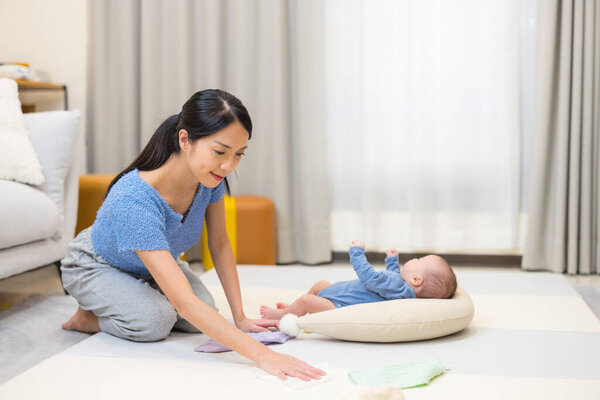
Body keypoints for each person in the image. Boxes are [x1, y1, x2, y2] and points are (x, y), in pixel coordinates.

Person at [60, 89, 325, 382]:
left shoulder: (209, 180)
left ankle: (135, 299)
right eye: (220, 152)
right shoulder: (133, 199)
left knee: (200, 317)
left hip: (153, 268)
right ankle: (87, 319)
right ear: (185, 140)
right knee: (154, 322)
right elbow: (184, 301)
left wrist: (240, 318)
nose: (228, 166)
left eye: (238, 154)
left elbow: (220, 244)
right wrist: (264, 356)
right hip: (98, 265)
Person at [260, 240, 457, 320]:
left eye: (419, 260)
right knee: (320, 286)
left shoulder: (398, 286)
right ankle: (296, 311)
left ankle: (284, 315)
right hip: (337, 295)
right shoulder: (402, 289)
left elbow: (370, 277)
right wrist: (392, 261)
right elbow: (393, 278)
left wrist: (356, 252)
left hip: (338, 305)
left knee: (307, 299)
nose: (414, 259)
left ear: (416, 279)